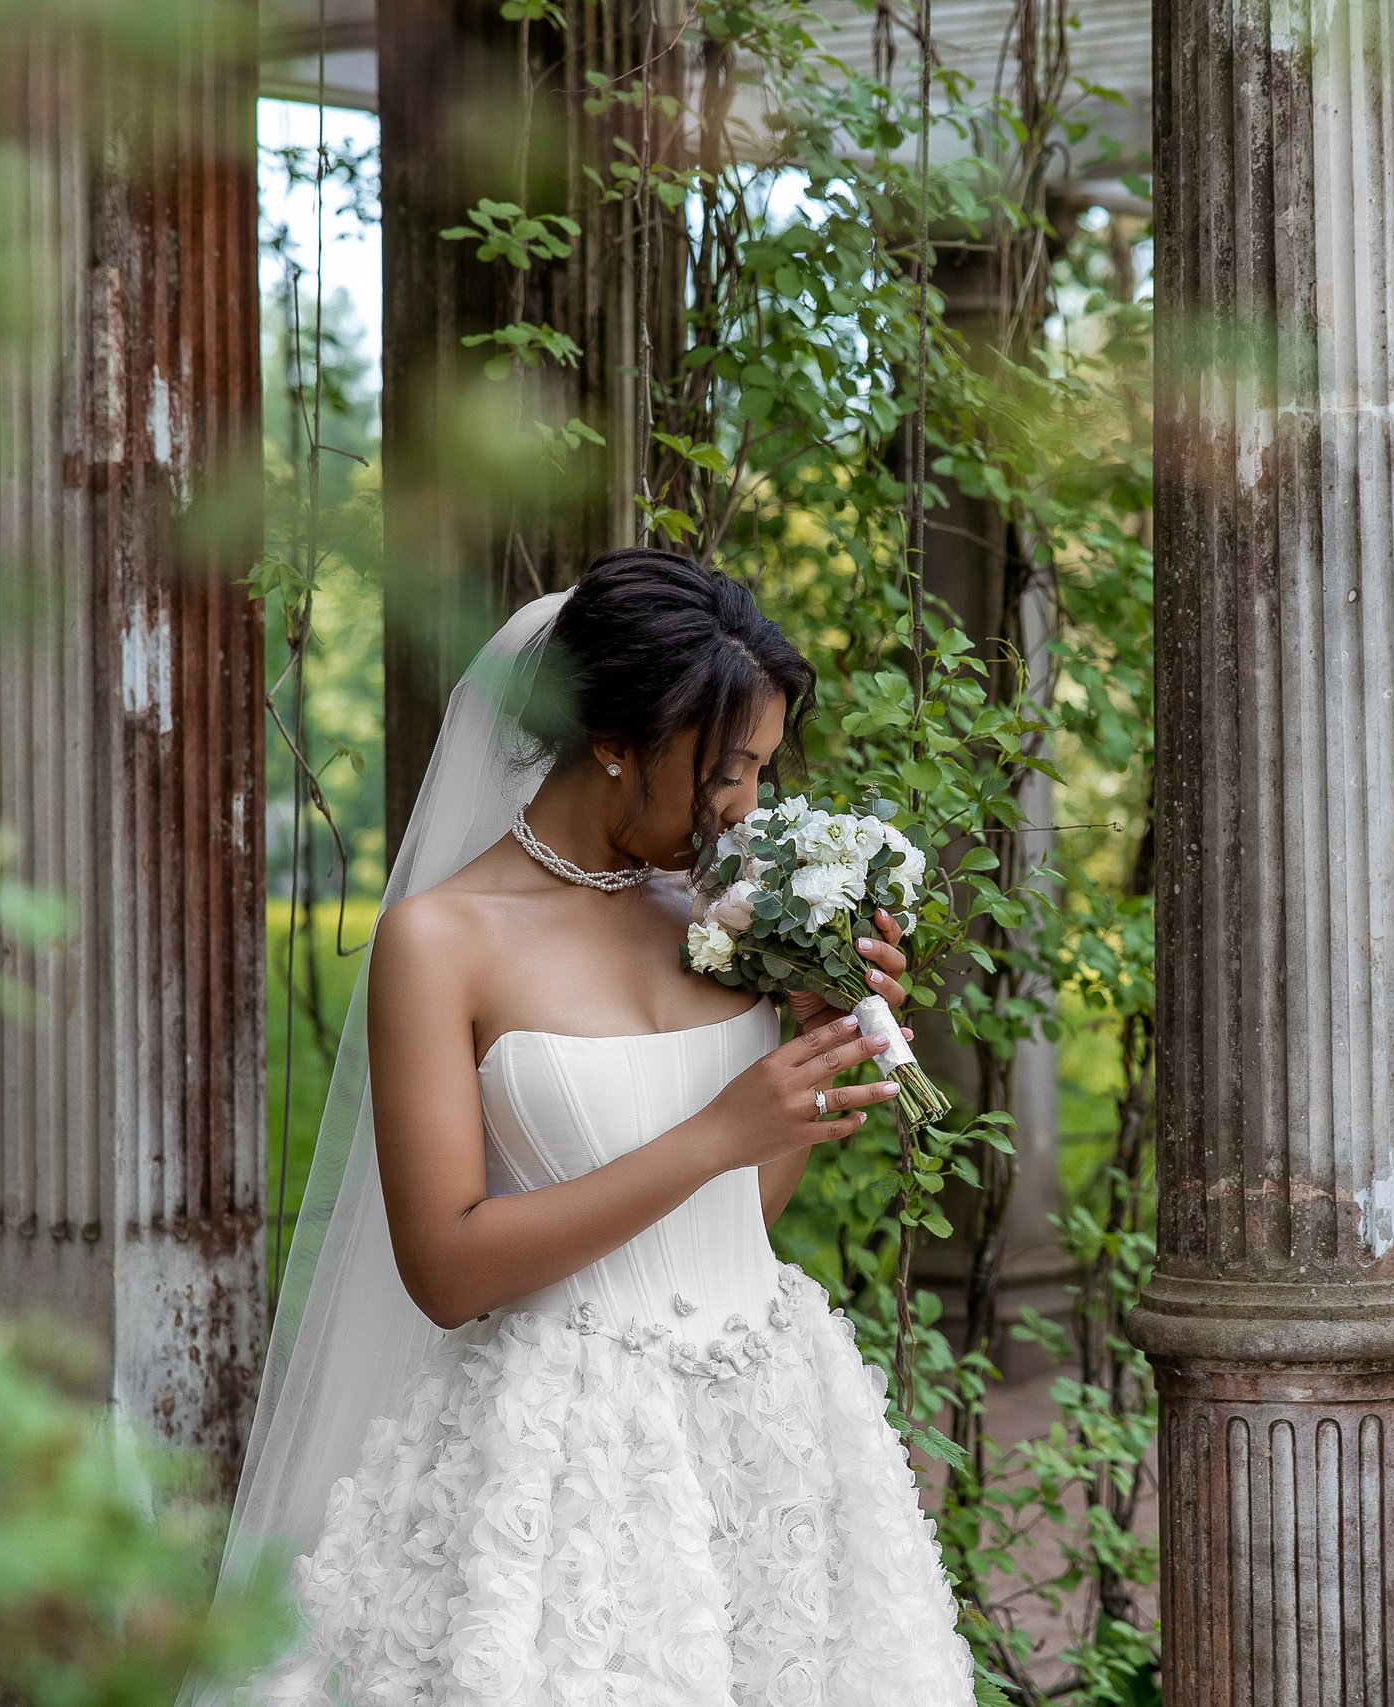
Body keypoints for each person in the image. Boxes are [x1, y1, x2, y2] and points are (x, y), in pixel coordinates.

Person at [218, 549, 976, 1705]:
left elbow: (743, 1210)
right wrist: (720, 1129)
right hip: (566, 1458)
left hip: (772, 1429)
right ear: (617, 738)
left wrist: (806, 1051)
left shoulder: (716, 917)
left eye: (763, 772)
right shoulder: (440, 939)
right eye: (728, 771)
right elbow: (448, 1269)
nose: (748, 810)